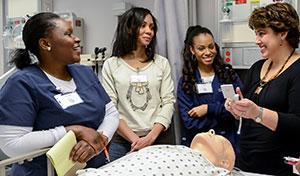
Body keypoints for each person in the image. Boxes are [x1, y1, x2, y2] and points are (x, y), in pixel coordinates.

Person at [0, 12, 119, 176]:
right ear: (45, 44)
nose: (77, 39)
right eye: (68, 34)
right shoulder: (22, 84)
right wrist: (73, 131)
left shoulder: (84, 73)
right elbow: (11, 144)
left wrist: (98, 140)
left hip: (94, 169)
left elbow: (111, 112)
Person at [225, 2, 300, 175]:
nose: (257, 40)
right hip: (247, 163)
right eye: (256, 34)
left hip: (279, 167)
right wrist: (237, 110)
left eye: (262, 33)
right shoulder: (257, 67)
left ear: (283, 33)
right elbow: (248, 112)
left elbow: (297, 123)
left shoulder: (297, 70)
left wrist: (258, 113)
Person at [101, 7, 175, 161]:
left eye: (152, 27)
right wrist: (136, 140)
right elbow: (110, 108)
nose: (149, 31)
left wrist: (150, 138)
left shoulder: (161, 63)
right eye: (143, 26)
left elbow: (168, 102)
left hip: (158, 136)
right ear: (129, 29)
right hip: (123, 139)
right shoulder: (111, 65)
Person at [177, 25, 243, 153]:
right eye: (201, 48)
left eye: (211, 46)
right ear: (192, 50)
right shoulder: (187, 82)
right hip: (199, 148)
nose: (208, 52)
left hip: (228, 144)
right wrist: (224, 113)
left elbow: (240, 108)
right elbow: (189, 122)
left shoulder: (228, 75)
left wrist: (208, 109)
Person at [76, 129, 238, 176]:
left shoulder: (211, 170)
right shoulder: (178, 149)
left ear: (224, 164)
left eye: (220, 140)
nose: (211, 132)